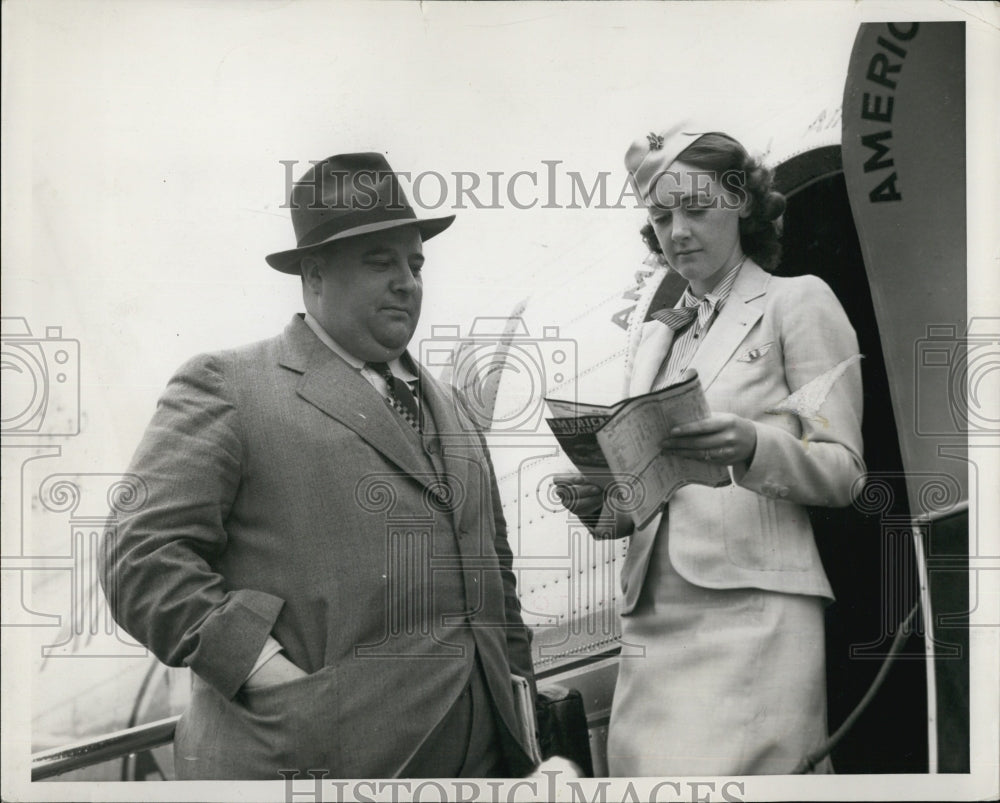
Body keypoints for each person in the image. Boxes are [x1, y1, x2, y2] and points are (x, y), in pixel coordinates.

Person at [99, 153, 539, 780]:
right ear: (314, 275)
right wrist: (261, 667)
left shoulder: (453, 409)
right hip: (320, 768)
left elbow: (497, 579)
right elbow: (138, 556)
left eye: (414, 265)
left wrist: (521, 716)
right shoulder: (227, 385)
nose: (407, 282)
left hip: (486, 768)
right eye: (380, 262)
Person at [554, 121, 866, 775]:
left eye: (696, 208)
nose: (678, 232)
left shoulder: (796, 303)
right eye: (661, 217)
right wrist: (605, 503)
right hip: (653, 621)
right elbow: (655, 486)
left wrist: (754, 446)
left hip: (754, 613)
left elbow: (845, 471)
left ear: (742, 200)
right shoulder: (655, 340)